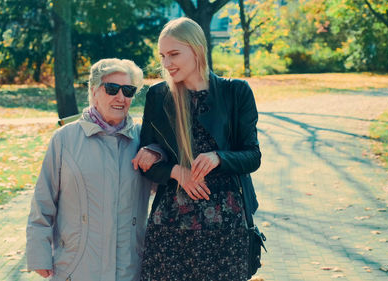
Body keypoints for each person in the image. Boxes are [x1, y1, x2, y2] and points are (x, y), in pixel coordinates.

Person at [134, 17, 261, 281]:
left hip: (225, 227)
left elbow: (252, 156)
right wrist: (176, 172)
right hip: (169, 226)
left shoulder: (235, 92)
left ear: (197, 49)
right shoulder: (158, 96)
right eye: (162, 56)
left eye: (174, 54)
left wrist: (219, 158)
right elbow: (147, 161)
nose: (166, 64)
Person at [26, 58, 159, 281]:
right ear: (93, 91)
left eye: (128, 91)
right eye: (112, 89)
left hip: (129, 268)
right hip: (76, 266)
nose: (120, 97)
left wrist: (158, 152)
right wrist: (39, 253)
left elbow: (166, 187)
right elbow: (43, 199)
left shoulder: (144, 138)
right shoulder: (64, 139)